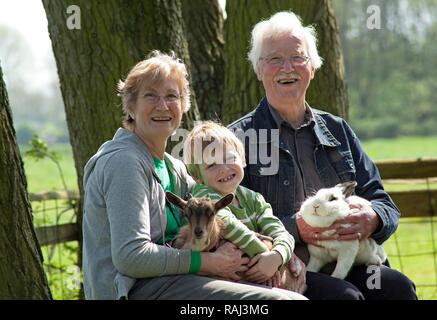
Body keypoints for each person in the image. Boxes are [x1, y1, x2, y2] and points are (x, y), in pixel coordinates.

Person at [82, 50, 306, 300]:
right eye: (150, 96)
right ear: (130, 107)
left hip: (175, 280)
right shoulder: (123, 162)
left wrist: (279, 253)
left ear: (183, 105)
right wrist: (206, 262)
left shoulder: (172, 168)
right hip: (134, 290)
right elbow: (130, 257)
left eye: (171, 96)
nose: (163, 106)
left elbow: (225, 220)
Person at [228, 11, 417, 300]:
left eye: (298, 57)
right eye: (274, 59)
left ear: (313, 68)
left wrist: (373, 217)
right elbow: (229, 220)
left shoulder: (337, 130)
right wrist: (295, 229)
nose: (287, 67)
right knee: (345, 297)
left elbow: (383, 201)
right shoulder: (238, 140)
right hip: (285, 270)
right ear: (257, 70)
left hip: (350, 258)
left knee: (397, 288)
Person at [183, 121, 306, 292]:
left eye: (229, 158)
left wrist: (276, 258)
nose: (224, 168)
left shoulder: (253, 199)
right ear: (198, 177)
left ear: (243, 160)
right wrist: (262, 253)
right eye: (211, 165)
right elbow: (228, 224)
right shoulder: (203, 195)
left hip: (259, 271)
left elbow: (279, 231)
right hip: (228, 278)